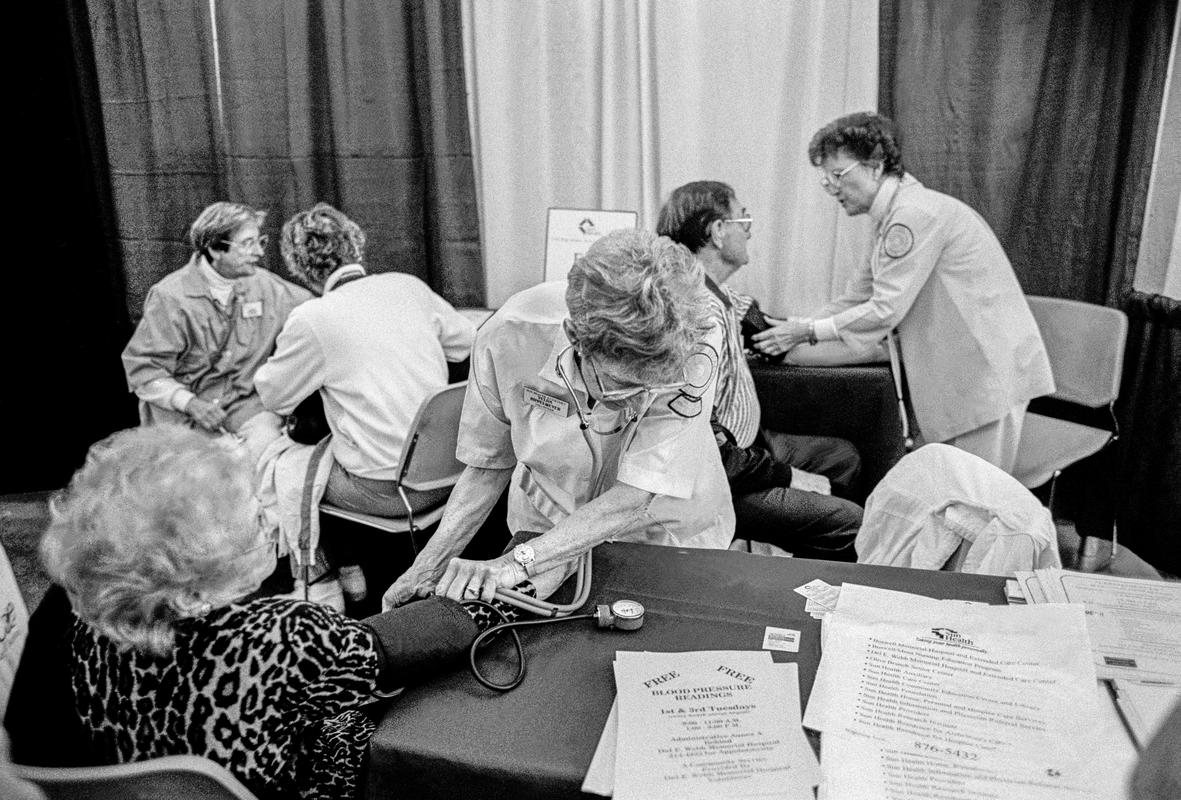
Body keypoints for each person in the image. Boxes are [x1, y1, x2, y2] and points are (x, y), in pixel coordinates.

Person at [29, 425, 492, 800]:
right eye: (254, 517)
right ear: (196, 580)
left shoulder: (64, 608)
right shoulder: (283, 635)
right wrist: (500, 587)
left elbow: (33, 742)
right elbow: (438, 633)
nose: (272, 520)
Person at [384, 229, 734, 609]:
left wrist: (518, 563)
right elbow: (487, 466)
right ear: (575, 338)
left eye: (653, 388)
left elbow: (635, 493)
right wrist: (426, 568)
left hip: (659, 532)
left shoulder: (695, 338)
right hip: (543, 524)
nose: (639, 400)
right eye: (623, 386)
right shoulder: (511, 335)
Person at [752, 112, 1054, 473]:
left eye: (838, 175)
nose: (831, 188)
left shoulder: (912, 215)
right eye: (825, 178)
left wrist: (804, 332)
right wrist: (788, 330)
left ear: (875, 167)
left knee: (975, 501)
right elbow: (857, 296)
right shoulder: (892, 217)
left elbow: (884, 310)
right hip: (963, 370)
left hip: (983, 373)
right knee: (951, 496)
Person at [254, 203, 476, 602]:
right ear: (355, 243)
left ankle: (328, 575)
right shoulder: (407, 286)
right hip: (455, 477)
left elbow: (273, 395)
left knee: (280, 462)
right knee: (327, 452)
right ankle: (347, 567)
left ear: (298, 266)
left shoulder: (312, 318)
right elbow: (466, 344)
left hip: (388, 492)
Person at [657, 181, 860, 561]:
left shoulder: (722, 297)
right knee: (848, 521)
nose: (749, 229)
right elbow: (707, 446)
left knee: (842, 457)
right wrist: (789, 477)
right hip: (722, 476)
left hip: (746, 448)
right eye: (743, 218)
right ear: (718, 231)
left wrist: (860, 337)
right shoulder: (695, 311)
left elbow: (772, 336)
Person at [121, 201, 312, 462]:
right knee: (204, 474)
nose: (258, 252)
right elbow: (144, 370)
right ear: (214, 248)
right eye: (247, 244)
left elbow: (318, 312)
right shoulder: (170, 297)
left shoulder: (266, 286)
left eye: (260, 242)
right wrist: (188, 403)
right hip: (185, 415)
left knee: (269, 450)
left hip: (246, 407)